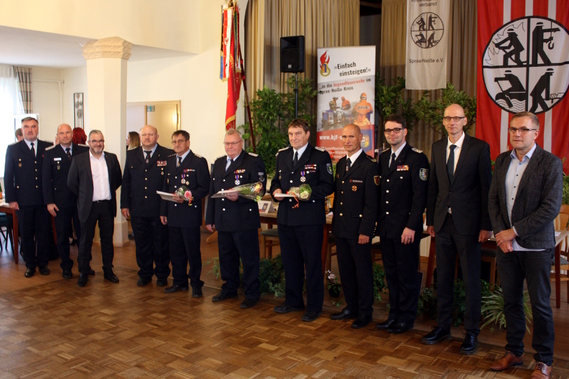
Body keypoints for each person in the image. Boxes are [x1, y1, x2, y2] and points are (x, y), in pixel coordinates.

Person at [488, 112, 563, 379]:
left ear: (536, 133)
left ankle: (544, 360)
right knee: (511, 302)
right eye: (513, 129)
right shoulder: (501, 160)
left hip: (535, 248)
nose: (517, 134)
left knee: (541, 304)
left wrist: (513, 232)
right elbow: (493, 202)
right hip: (506, 247)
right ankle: (514, 352)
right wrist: (501, 234)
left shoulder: (550, 163)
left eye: (523, 129)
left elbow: (550, 208)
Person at [423, 104, 492, 354]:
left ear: (465, 121)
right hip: (442, 224)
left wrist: (486, 225)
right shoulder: (437, 147)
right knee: (443, 278)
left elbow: (487, 189)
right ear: (443, 122)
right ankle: (443, 326)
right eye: (448, 118)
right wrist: (431, 219)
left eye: (457, 118)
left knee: (471, 279)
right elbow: (434, 187)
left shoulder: (479, 148)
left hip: (469, 226)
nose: (452, 122)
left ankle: (471, 332)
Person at [270, 118, 335, 322]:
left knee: (312, 263)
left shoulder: (320, 156)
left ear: (307, 134)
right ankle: (293, 300)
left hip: (309, 219)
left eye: (298, 133)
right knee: (290, 262)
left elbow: (328, 186)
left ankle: (314, 306)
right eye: (290, 134)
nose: (293, 138)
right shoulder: (282, 156)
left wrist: (307, 192)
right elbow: (275, 182)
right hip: (287, 218)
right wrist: (276, 191)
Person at [376, 115, 429, 334]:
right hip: (387, 227)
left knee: (406, 274)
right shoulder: (383, 157)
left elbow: (420, 197)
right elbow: (381, 194)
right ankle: (394, 314)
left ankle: (407, 317)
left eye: (396, 130)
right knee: (391, 273)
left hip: (406, 228)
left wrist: (412, 226)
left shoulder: (417, 158)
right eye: (388, 131)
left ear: (405, 131)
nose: (392, 134)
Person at [205, 129, 266, 309]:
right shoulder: (218, 162)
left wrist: (239, 195)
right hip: (223, 219)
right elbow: (212, 191)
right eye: (227, 143)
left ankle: (252, 293)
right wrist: (210, 218)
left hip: (244, 219)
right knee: (226, 257)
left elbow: (260, 189)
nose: (230, 147)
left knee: (248, 259)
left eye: (233, 143)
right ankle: (229, 288)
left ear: (241, 143)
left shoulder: (252, 161)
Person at [330, 124, 378, 328]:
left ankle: (365, 312)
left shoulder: (369, 165)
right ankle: (351, 306)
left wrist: (366, 230)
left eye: (351, 136)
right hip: (342, 228)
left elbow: (372, 203)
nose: (347, 140)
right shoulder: (341, 164)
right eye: (344, 137)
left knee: (362, 272)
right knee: (346, 270)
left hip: (359, 230)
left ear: (361, 138)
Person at [67, 130, 122, 287]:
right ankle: (84, 271)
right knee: (85, 241)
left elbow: (117, 179)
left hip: (106, 206)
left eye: (101, 141)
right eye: (94, 141)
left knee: (107, 240)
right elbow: (72, 183)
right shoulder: (79, 160)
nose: (98, 144)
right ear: (88, 143)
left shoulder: (111, 158)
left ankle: (108, 271)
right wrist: (85, 194)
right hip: (88, 206)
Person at [121, 125, 173, 287]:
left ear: (157, 136)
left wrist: (166, 208)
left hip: (159, 209)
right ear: (140, 137)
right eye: (144, 135)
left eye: (151, 135)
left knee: (161, 243)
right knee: (142, 244)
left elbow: (168, 185)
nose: (147, 138)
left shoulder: (167, 154)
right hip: (138, 208)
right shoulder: (131, 155)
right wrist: (124, 204)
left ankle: (162, 273)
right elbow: (126, 181)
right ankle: (145, 273)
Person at [160, 130, 209, 296]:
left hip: (189, 213)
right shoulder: (170, 161)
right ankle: (179, 281)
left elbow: (204, 188)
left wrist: (187, 196)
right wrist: (163, 211)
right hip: (173, 213)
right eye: (174, 141)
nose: (176, 145)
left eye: (180, 141)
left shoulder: (198, 162)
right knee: (175, 251)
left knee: (192, 251)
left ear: (188, 143)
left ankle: (196, 284)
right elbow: (166, 188)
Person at [4, 117, 53, 277]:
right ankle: (30, 265)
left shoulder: (48, 147)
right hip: (23, 200)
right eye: (26, 127)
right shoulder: (13, 149)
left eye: (33, 126)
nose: (30, 130)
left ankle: (43, 263)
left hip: (43, 200)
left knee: (43, 233)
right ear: (22, 129)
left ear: (38, 128)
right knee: (26, 233)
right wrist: (11, 199)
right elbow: (8, 175)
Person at [42, 123, 89, 279]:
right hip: (60, 202)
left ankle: (85, 265)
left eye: (67, 132)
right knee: (62, 236)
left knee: (83, 234)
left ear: (72, 134)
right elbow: (46, 180)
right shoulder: (50, 153)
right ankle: (66, 267)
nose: (65, 135)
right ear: (58, 135)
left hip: (80, 201)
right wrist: (49, 202)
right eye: (61, 133)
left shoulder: (83, 150)